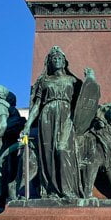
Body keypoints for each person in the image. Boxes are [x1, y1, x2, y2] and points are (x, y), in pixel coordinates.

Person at [23, 46, 83, 200]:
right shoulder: (44, 81)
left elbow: (83, 101)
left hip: (66, 114)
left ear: (64, 62)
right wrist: (27, 125)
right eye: (54, 58)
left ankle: (68, 189)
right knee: (48, 153)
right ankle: (52, 190)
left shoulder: (73, 80)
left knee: (63, 150)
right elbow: (37, 105)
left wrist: (91, 80)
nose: (57, 60)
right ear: (49, 62)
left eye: (59, 58)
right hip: (47, 115)